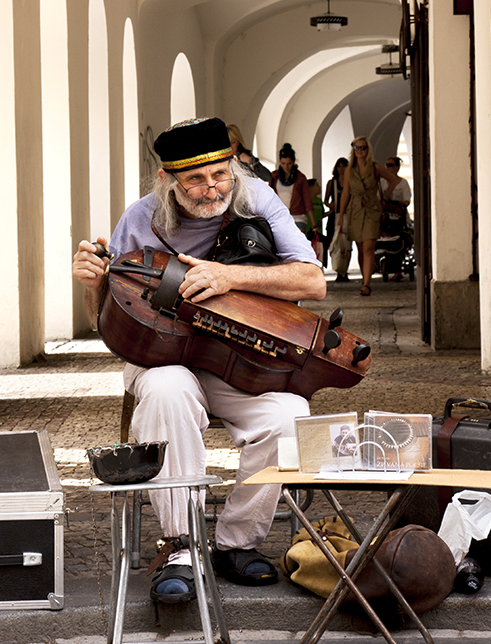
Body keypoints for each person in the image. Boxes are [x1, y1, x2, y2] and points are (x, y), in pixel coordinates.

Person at [72, 117, 326, 604]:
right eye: (195, 180)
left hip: (239, 359)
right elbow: (111, 322)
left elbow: (312, 282)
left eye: (220, 175)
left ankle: (237, 541)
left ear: (233, 165)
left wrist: (231, 278)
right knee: (168, 389)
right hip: (161, 357)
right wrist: (93, 287)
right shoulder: (141, 219)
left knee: (290, 416)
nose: (211, 190)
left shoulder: (257, 199)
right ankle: (180, 545)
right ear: (167, 180)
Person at [337, 136, 400, 296]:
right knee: (360, 248)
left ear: (368, 149)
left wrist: (384, 198)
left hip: (372, 207)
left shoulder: (375, 167)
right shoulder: (349, 170)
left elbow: (393, 180)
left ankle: (366, 284)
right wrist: (341, 214)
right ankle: (366, 277)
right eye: (356, 147)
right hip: (355, 209)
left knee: (369, 247)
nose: (359, 151)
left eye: (363, 147)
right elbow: (345, 193)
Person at [269, 143, 318, 235]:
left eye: (289, 164)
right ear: (279, 162)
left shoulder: (300, 178)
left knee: (295, 245)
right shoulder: (274, 177)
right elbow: (269, 197)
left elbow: (307, 201)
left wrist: (314, 225)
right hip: (280, 216)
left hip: (298, 217)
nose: (286, 167)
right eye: (283, 163)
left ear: (294, 162)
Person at [381, 156, 412, 281]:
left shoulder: (403, 183)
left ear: (397, 167)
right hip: (385, 217)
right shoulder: (382, 182)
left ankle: (398, 269)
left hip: (399, 216)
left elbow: (406, 200)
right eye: (387, 165)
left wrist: (394, 203)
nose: (388, 167)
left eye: (391, 165)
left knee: (400, 239)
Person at [323, 157, 349, 279]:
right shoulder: (331, 183)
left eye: (344, 166)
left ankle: (344, 270)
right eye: (339, 166)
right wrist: (330, 206)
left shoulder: (350, 182)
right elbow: (326, 200)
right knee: (333, 243)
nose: (341, 169)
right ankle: (338, 269)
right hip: (335, 216)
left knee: (346, 244)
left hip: (348, 215)